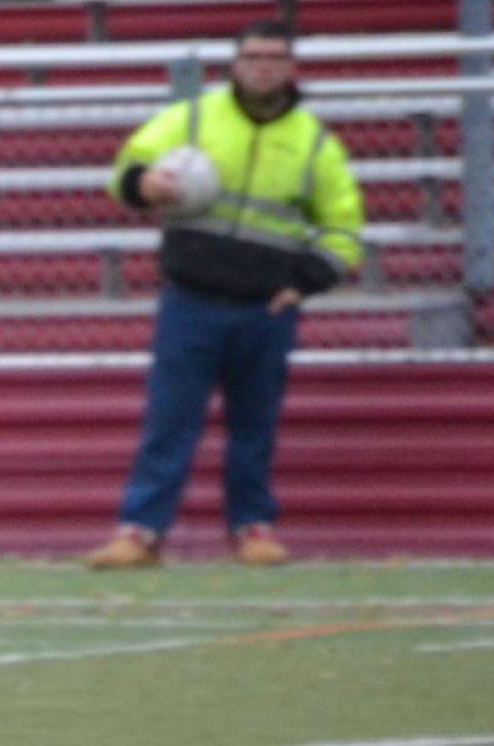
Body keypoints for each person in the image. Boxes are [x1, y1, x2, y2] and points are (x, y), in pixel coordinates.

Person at [84, 20, 365, 570]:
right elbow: (125, 168)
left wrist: (304, 281)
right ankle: (140, 532)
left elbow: (343, 228)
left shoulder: (315, 144)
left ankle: (252, 529)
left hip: (265, 310)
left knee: (254, 427)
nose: (262, 66)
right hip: (190, 300)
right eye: (252, 56)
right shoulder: (192, 118)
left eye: (274, 57)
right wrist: (143, 186)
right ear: (235, 64)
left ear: (291, 68)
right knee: (169, 421)